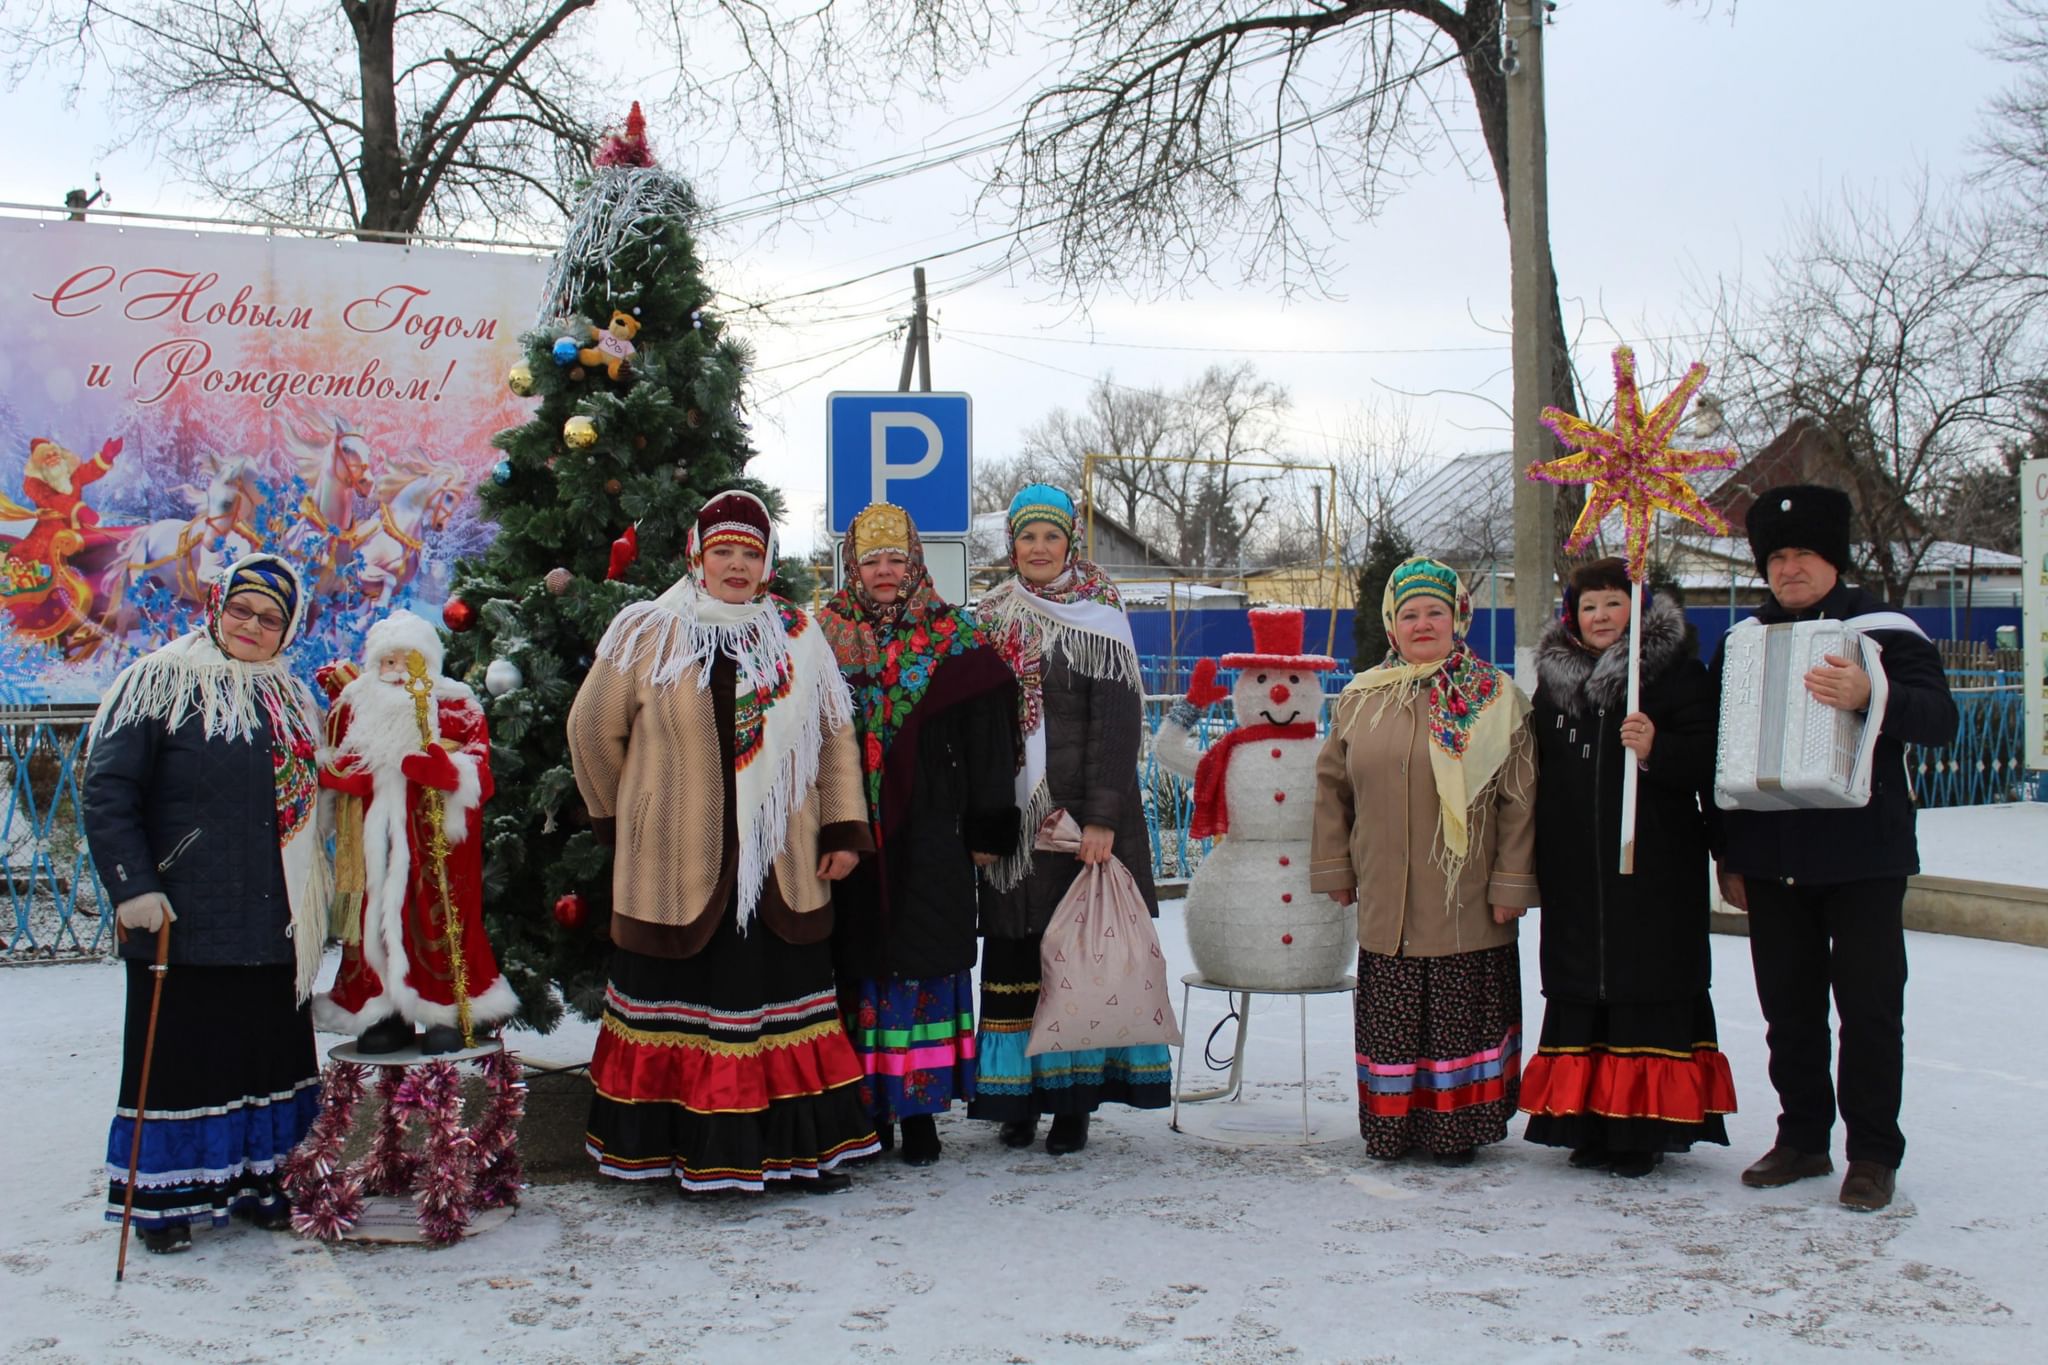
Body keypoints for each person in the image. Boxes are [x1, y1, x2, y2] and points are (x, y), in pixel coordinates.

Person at [567, 489, 880, 1194]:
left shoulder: (798, 634)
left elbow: (835, 736)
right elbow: (591, 730)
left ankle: (793, 1152)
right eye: (723, 552)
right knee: (681, 1003)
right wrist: (632, 819)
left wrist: (842, 828)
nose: (737, 566)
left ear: (767, 562)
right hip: (675, 864)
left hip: (782, 862)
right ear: (697, 557)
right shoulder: (648, 631)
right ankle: (668, 1152)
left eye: (750, 553)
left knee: (781, 1005)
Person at [1711, 485, 1957, 1212]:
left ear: (1834, 560)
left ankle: (1874, 1152)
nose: (1789, 569)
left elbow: (1940, 719)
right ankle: (1803, 1137)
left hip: (1864, 857)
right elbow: (1719, 755)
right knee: (1788, 1008)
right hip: (1771, 853)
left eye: (1804, 555)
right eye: (1777, 557)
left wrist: (1869, 693)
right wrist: (1728, 853)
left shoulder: (1885, 630)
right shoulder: (1741, 641)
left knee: (1871, 1009)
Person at [82, 554, 331, 1253]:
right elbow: (108, 792)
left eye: (271, 617)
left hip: (272, 918)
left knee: (265, 1058)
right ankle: (167, 1202)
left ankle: (264, 1185)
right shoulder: (159, 682)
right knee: (182, 1061)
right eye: (241, 609)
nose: (252, 625)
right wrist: (133, 885)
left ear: (289, 629)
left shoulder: (291, 699)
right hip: (181, 917)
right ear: (216, 605)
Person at [1310, 556, 1537, 1164]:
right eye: (1409, 613)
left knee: (1458, 1017)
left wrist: (1512, 881)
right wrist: (1336, 867)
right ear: (1392, 624)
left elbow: (1519, 799)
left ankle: (1455, 1131)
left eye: (1435, 611)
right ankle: (1392, 1129)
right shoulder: (1361, 698)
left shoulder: (1494, 697)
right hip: (1387, 893)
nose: (1422, 623)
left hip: (1466, 896)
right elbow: (1333, 787)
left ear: (1458, 617)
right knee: (1392, 1012)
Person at [816, 502, 1021, 1166]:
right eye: (871, 560)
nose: (883, 571)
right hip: (852, 832)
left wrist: (990, 821)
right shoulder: (823, 637)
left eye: (894, 559)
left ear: (915, 564)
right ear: (852, 565)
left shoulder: (955, 638)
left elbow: (994, 738)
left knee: (926, 963)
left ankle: (923, 1111)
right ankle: (870, 1108)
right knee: (861, 967)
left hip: (935, 827)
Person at [970, 483, 1170, 1155]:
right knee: (1012, 958)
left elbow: (1116, 727)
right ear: (1012, 545)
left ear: (1070, 543)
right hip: (1011, 826)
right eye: (1027, 536)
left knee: (1070, 963)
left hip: (1074, 825)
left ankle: (1073, 1104)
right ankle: (1015, 1100)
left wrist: (1103, 818)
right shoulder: (991, 615)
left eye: (1050, 536)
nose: (1038, 548)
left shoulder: (1100, 616)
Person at [1519, 558, 1736, 1176]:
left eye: (1614, 603)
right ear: (1573, 617)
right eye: (1590, 607)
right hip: (1577, 874)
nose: (1602, 617)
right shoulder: (1553, 685)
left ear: (1636, 611)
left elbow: (1711, 762)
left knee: (1644, 988)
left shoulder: (1673, 676)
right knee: (1584, 988)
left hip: (1655, 871)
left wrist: (1658, 749)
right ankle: (1586, 1124)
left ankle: (1641, 1131)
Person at [311, 610, 518, 1055]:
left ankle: (444, 1009)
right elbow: (336, 758)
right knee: (372, 921)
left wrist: (448, 772)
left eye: (408, 661)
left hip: (434, 843)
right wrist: (343, 775)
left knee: (435, 918)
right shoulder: (354, 703)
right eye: (387, 661)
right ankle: (382, 1013)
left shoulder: (455, 703)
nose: (396, 671)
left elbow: (480, 772)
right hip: (371, 841)